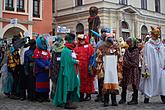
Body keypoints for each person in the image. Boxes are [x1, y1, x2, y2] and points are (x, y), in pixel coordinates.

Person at [53, 33, 80, 109]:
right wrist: (75, 61)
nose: (74, 42)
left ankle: (68, 101)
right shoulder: (66, 50)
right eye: (73, 40)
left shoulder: (70, 50)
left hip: (71, 71)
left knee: (70, 86)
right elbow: (66, 62)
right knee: (67, 86)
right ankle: (66, 103)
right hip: (67, 72)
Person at [139, 26, 165, 104]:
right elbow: (146, 55)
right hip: (151, 66)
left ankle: (163, 96)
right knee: (150, 80)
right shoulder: (148, 44)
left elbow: (163, 54)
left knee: (161, 81)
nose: (155, 36)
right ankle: (147, 97)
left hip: (160, 66)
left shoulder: (161, 44)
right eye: (154, 35)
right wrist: (146, 65)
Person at [96, 37, 119, 106]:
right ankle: (106, 101)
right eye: (109, 43)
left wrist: (117, 53)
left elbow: (119, 56)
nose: (110, 45)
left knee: (113, 83)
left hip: (114, 70)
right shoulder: (101, 47)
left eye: (111, 44)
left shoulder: (116, 47)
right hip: (105, 69)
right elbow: (98, 58)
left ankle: (114, 100)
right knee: (105, 84)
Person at [119, 37, 140, 105]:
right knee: (124, 84)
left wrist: (127, 62)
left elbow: (135, 62)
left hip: (134, 70)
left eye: (130, 42)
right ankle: (123, 98)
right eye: (128, 43)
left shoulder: (136, 50)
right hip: (126, 69)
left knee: (134, 84)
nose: (129, 44)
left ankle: (135, 99)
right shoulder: (127, 50)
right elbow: (124, 59)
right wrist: (126, 62)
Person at [74, 34, 94, 101]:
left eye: (82, 39)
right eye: (80, 39)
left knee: (88, 81)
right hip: (79, 68)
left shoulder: (89, 46)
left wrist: (90, 65)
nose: (81, 41)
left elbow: (92, 56)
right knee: (80, 81)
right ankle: (81, 95)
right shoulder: (77, 48)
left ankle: (88, 95)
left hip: (87, 67)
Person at [94, 27, 111, 102]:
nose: (104, 33)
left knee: (106, 80)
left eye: (105, 32)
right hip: (100, 64)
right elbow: (95, 54)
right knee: (100, 80)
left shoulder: (110, 42)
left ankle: (105, 95)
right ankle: (100, 94)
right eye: (103, 32)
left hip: (108, 64)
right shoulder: (99, 43)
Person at [33, 36, 51, 102]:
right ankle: (40, 97)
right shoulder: (36, 51)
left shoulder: (47, 51)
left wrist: (48, 65)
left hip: (46, 71)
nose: (43, 44)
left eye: (44, 42)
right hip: (40, 71)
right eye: (42, 42)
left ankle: (46, 97)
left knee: (46, 85)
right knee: (40, 84)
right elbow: (37, 60)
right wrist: (44, 66)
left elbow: (49, 59)